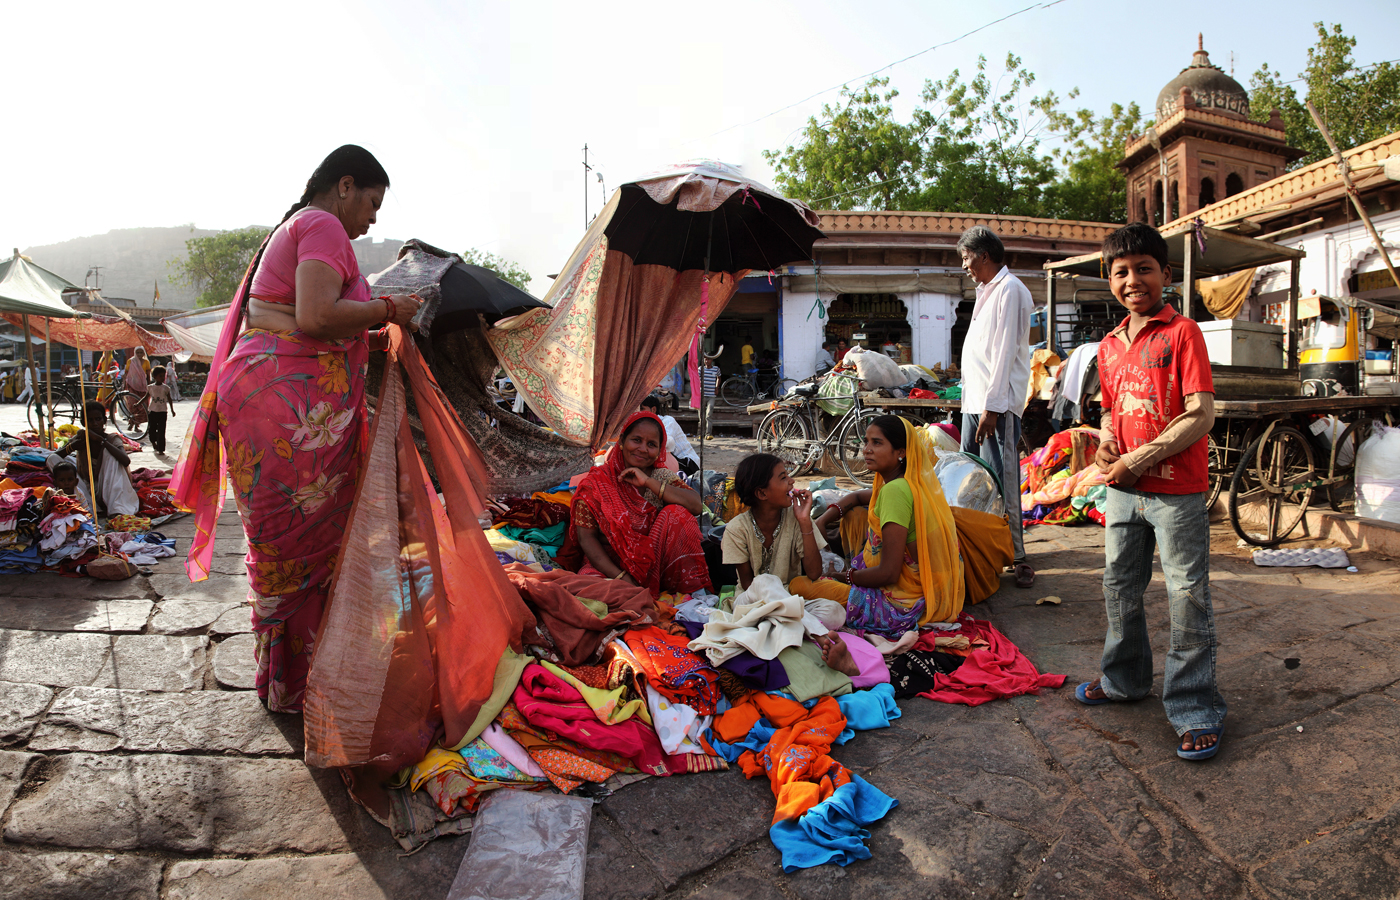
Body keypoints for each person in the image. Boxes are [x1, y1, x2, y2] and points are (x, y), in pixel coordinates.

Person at [171, 145, 421, 713]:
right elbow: (314, 316)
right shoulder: (323, 225)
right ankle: (298, 680)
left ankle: (284, 680)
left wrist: (370, 327)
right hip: (286, 405)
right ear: (345, 185)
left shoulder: (299, 227)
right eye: (373, 204)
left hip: (268, 398)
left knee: (285, 546)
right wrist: (386, 308)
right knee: (302, 544)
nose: (372, 220)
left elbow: (307, 320)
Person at [1076, 222, 1225, 761]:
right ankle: (1124, 680)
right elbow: (1112, 411)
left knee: (1187, 597)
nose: (1133, 279)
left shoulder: (1182, 332)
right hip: (1124, 492)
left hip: (1176, 491)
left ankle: (1194, 707)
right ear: (1108, 279)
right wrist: (1107, 450)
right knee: (1119, 586)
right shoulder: (1110, 344)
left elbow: (1201, 414)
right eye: (1121, 272)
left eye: (1144, 268)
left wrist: (1141, 458)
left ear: (1164, 273)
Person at [797, 415, 963, 646]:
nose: (866, 450)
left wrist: (843, 577)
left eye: (877, 443)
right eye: (866, 442)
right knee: (855, 515)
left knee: (800, 585)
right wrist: (824, 520)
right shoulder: (908, 482)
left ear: (901, 452)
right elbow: (855, 496)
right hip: (929, 591)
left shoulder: (895, 491)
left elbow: (888, 574)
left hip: (902, 606)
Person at [557, 411, 710, 597]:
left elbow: (695, 505)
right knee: (591, 596)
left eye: (652, 444)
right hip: (608, 566)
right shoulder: (595, 482)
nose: (643, 449)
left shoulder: (660, 476)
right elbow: (586, 539)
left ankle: (693, 592)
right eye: (636, 440)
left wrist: (648, 482)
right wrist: (623, 578)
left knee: (676, 514)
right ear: (621, 441)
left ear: (659, 451)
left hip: (654, 566)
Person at [957, 225, 1035, 589]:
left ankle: (1018, 555)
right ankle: (979, 547)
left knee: (1002, 479)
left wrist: (991, 407)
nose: (964, 265)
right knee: (972, 480)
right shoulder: (986, 290)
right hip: (975, 401)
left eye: (966, 257)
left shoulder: (1010, 290)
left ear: (984, 255)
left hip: (995, 406)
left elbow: (1004, 353)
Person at [56, 400, 139, 517]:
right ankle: (92, 507)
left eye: (98, 419)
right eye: (90, 420)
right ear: (83, 423)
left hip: (108, 488)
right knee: (55, 461)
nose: (94, 424)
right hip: (86, 489)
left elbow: (126, 461)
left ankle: (115, 508)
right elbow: (53, 458)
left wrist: (102, 441)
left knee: (110, 454)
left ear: (104, 421)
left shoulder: (111, 439)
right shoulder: (80, 438)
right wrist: (73, 446)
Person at [640, 395, 699, 475]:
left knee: (658, 450)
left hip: (689, 464)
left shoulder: (667, 420)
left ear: (653, 409)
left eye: (642, 409)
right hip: (676, 463)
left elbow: (666, 442)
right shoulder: (644, 427)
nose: (638, 412)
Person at [146, 365, 174, 456]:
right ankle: (153, 442)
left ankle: (161, 448)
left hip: (163, 412)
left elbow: (169, 399)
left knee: (161, 431)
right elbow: (146, 397)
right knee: (152, 429)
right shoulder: (150, 387)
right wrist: (138, 403)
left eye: (163, 376)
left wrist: (172, 410)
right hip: (152, 411)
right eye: (160, 376)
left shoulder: (166, 388)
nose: (162, 378)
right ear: (154, 377)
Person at [123, 346, 150, 429]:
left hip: (142, 387)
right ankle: (131, 422)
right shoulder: (130, 361)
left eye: (141, 352)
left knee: (142, 407)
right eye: (137, 352)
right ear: (135, 353)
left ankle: (136, 425)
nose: (139, 354)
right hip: (131, 386)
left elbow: (148, 375)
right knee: (132, 405)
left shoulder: (146, 362)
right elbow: (126, 374)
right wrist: (124, 384)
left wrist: (149, 386)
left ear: (143, 353)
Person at [700, 357, 720, 439]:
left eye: (708, 359)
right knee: (701, 415)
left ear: (711, 360)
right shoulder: (700, 369)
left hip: (711, 395)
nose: (706, 361)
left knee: (709, 414)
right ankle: (701, 434)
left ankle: (708, 433)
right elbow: (696, 379)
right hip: (702, 395)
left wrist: (716, 387)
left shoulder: (716, 369)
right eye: (705, 359)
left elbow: (719, 377)